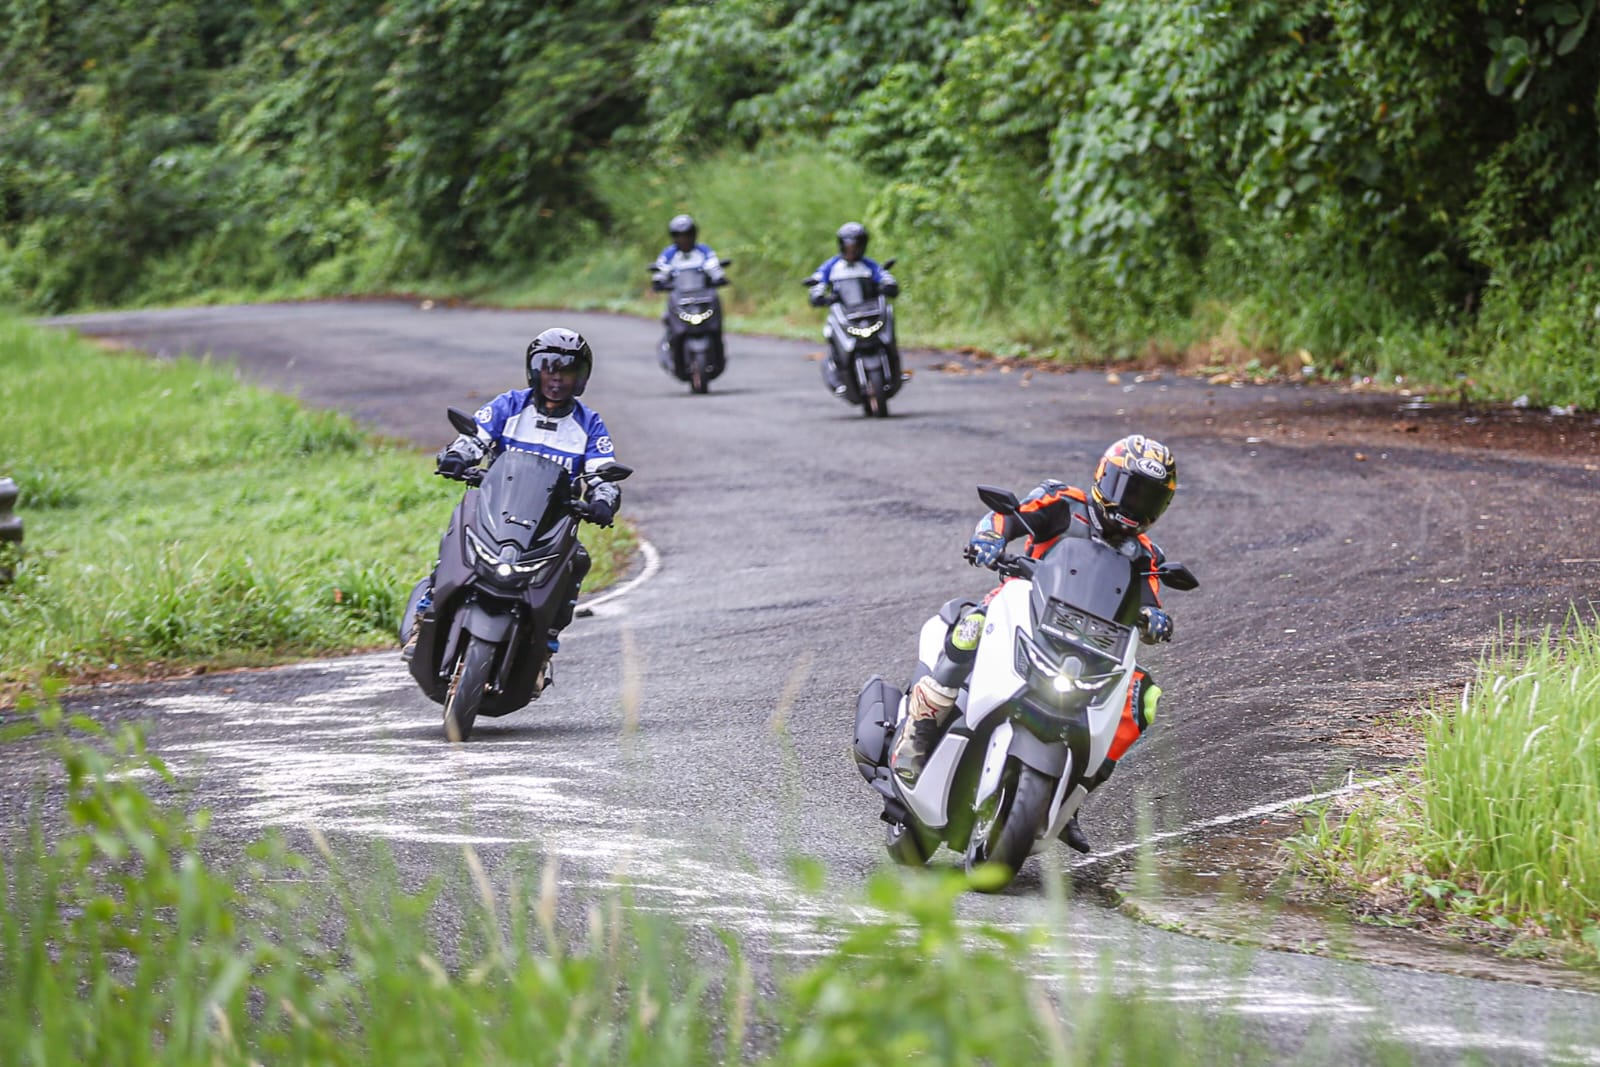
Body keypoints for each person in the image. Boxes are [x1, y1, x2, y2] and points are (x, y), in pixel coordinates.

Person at [888, 435, 1180, 854]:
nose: (1135, 506)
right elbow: (1007, 518)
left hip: (1094, 645)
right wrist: (989, 538)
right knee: (970, 625)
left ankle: (1072, 796)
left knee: (1143, 699)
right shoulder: (1062, 502)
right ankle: (919, 730)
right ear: (1105, 477)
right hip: (1025, 610)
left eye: (1148, 499)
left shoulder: (1146, 555)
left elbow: (1151, 602)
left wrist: (1156, 619)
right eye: (1129, 491)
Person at [402, 328, 622, 671]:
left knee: (578, 560)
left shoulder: (590, 424)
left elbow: (602, 472)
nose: (557, 379)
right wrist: (457, 456)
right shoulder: (508, 405)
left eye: (567, 372)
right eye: (550, 369)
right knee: (458, 528)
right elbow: (475, 437)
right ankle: (425, 614)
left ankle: (545, 645)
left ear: (581, 377)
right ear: (535, 371)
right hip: (496, 512)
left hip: (549, 527)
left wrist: (603, 499)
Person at [806, 222, 900, 392]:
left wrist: (889, 285)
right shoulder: (832, 266)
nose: (852, 250)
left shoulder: (868, 265)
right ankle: (837, 370)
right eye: (848, 246)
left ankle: (893, 365)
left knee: (888, 322)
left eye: (855, 246)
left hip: (869, 311)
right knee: (830, 332)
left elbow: (884, 276)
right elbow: (818, 280)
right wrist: (817, 295)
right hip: (845, 313)